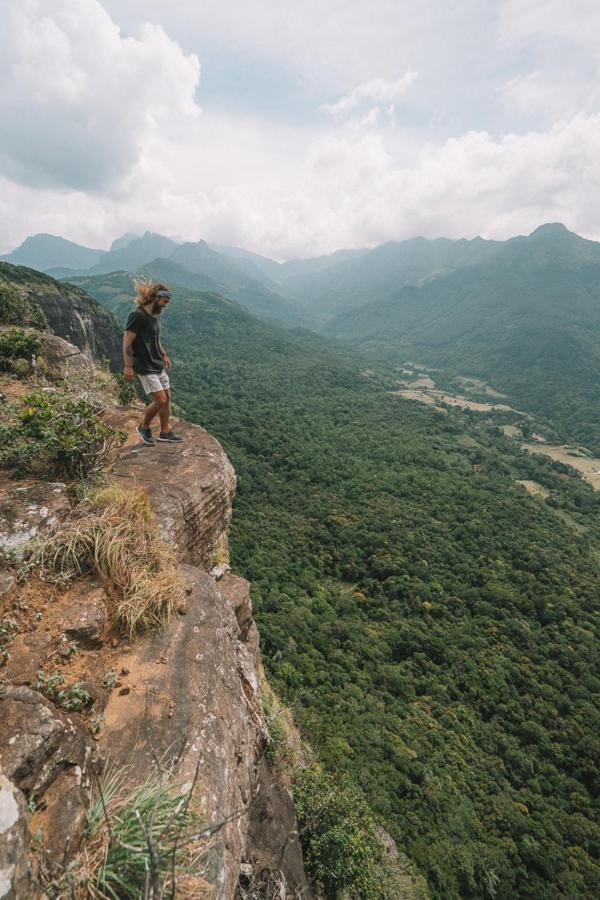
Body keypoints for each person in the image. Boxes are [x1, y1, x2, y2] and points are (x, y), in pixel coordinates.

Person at [123, 279, 184, 445]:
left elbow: (155, 338)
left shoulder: (155, 316)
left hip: (157, 363)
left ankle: (165, 432)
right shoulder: (138, 316)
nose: (165, 305)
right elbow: (127, 341)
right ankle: (144, 426)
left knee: (167, 397)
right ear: (156, 298)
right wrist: (128, 366)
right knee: (160, 400)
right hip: (144, 366)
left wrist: (163, 354)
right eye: (164, 301)